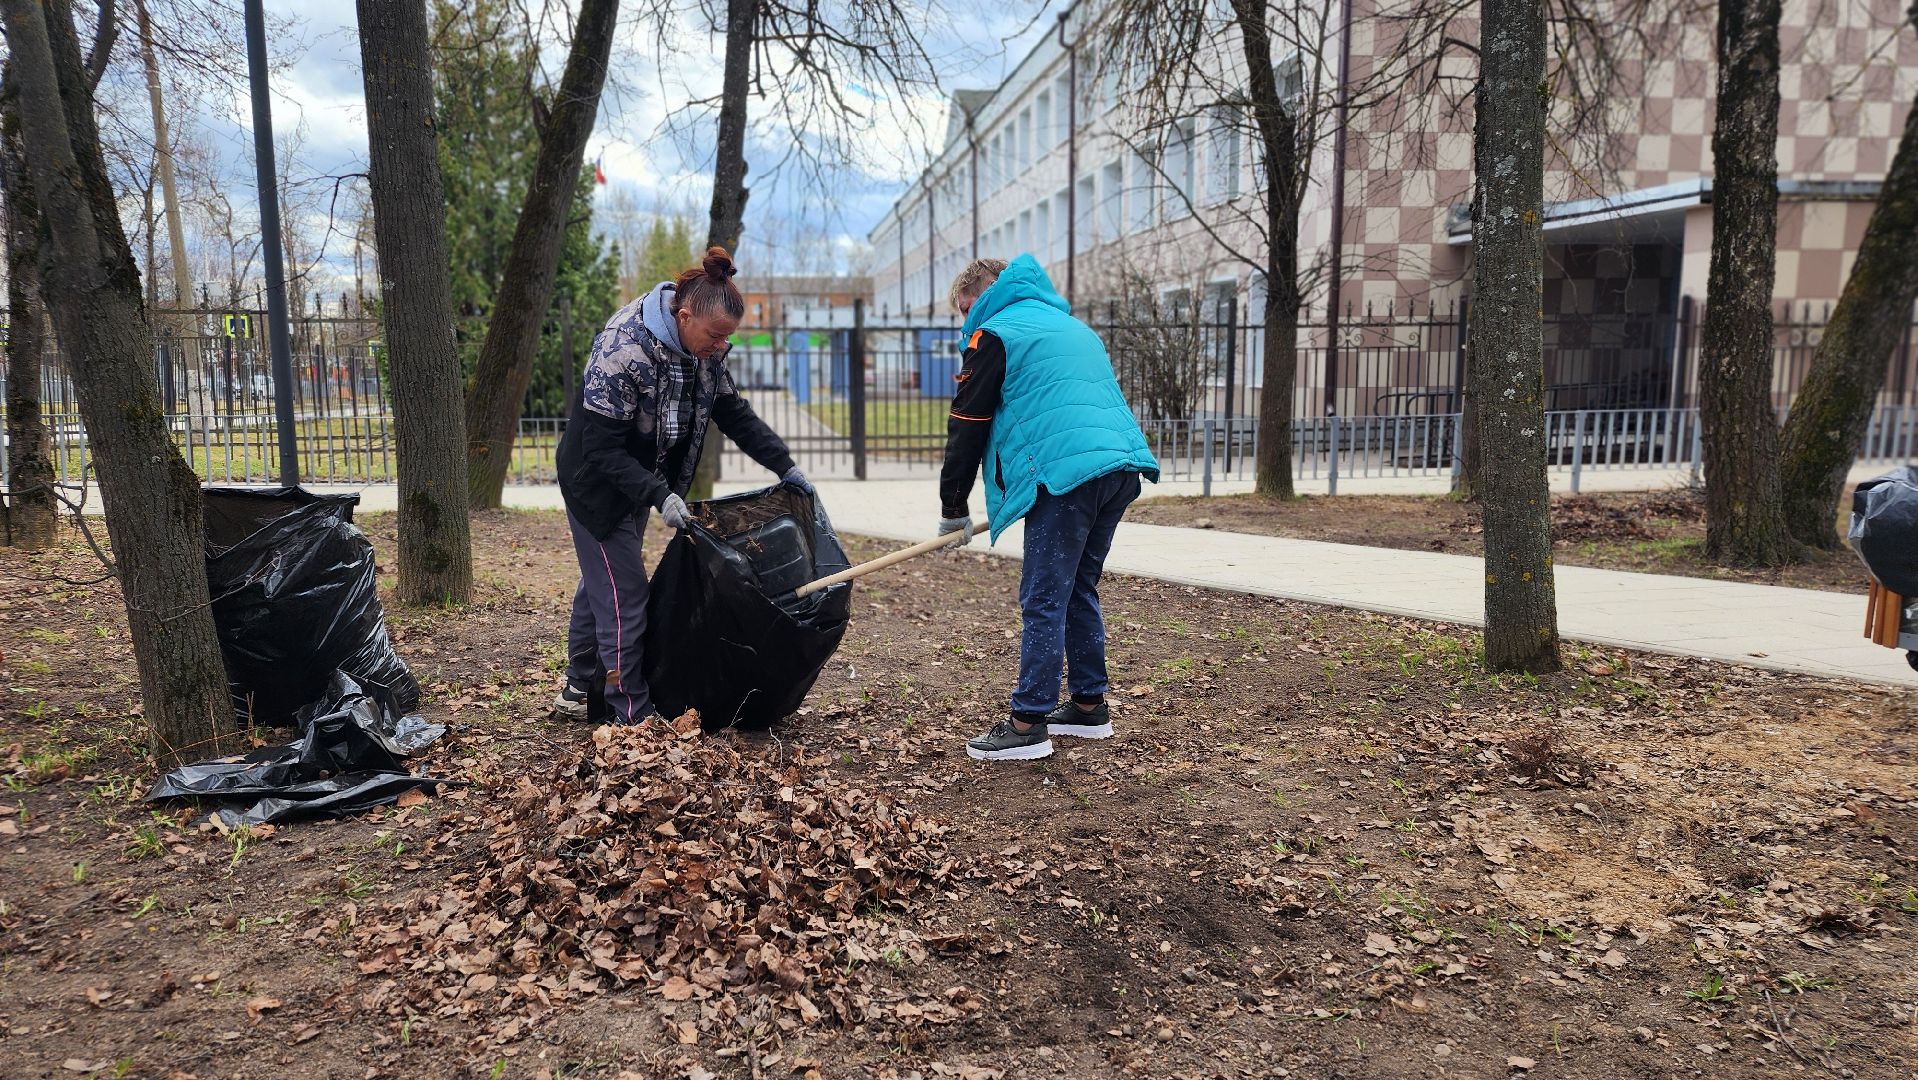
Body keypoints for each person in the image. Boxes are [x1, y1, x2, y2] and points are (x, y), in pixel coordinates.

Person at [553, 246, 810, 724]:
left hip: (642, 479)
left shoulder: (704, 351)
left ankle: (577, 685)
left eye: (726, 340)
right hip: (596, 482)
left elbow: (733, 413)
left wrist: (785, 467)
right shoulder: (623, 347)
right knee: (624, 593)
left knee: (603, 581)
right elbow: (601, 450)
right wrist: (658, 493)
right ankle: (630, 711)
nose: (719, 347)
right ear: (685, 315)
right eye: (715, 337)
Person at [937, 254, 1160, 761]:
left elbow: (967, 424)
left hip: (1067, 477)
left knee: (1044, 596)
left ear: (983, 296)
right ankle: (1087, 708)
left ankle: (1027, 723)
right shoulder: (1072, 326)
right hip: (1119, 468)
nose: (966, 320)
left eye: (965, 308)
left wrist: (953, 507)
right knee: (1078, 587)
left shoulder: (995, 334)